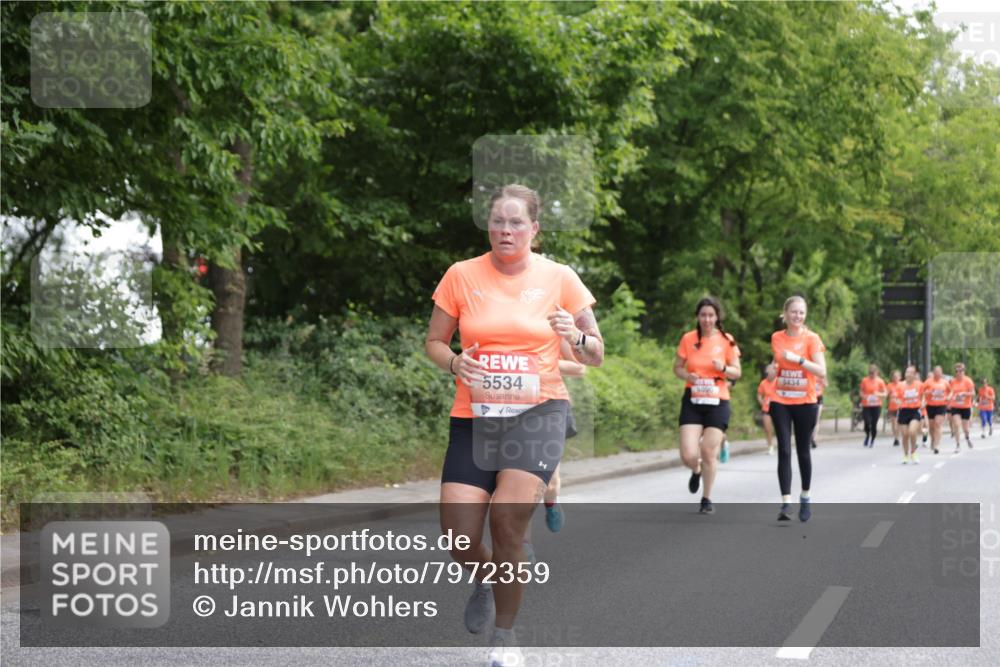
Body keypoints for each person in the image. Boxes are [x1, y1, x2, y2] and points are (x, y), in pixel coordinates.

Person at [425, 184, 604, 666]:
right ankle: (487, 577)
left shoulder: (560, 278)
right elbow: (436, 342)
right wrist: (455, 363)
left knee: (507, 522)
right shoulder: (461, 276)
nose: (505, 230)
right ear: (488, 225)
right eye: (498, 222)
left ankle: (505, 638)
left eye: (516, 222)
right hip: (475, 416)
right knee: (458, 537)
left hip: (539, 413)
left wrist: (577, 335)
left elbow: (597, 353)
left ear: (534, 229)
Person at [672, 296, 742, 515]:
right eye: (703, 315)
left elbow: (737, 371)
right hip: (693, 399)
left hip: (718, 401)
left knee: (709, 450)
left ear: (717, 317)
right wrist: (688, 375)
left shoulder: (727, 340)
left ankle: (706, 498)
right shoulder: (688, 339)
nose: (707, 319)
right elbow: (677, 367)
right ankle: (696, 469)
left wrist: (723, 368)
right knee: (688, 453)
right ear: (698, 317)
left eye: (711, 315)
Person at [769, 295, 827, 522]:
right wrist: (772, 371)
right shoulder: (776, 337)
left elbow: (821, 371)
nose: (798, 316)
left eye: (801, 312)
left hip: (805, 402)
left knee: (803, 450)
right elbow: (776, 363)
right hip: (780, 399)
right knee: (784, 448)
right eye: (794, 312)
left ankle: (805, 496)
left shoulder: (812, 339)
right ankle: (785, 502)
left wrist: (799, 360)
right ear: (785, 314)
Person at [895, 365, 924, 464]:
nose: (908, 374)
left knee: (912, 431)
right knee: (905, 435)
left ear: (914, 375)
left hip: (915, 410)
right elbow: (896, 397)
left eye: (911, 372)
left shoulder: (919, 385)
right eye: (907, 372)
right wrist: (898, 402)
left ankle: (913, 452)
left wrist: (923, 402)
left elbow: (923, 395)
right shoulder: (900, 385)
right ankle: (906, 455)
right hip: (903, 411)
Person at [922, 366, 951, 455]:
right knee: (931, 426)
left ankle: (937, 445)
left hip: (941, 405)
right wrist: (927, 394)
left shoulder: (945, 382)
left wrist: (948, 397)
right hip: (930, 405)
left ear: (941, 373)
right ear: (933, 373)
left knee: (938, 424)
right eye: (936, 372)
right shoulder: (928, 382)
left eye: (939, 372)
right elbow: (921, 391)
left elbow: (951, 391)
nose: (937, 374)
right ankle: (933, 440)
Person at [948, 362, 976, 451]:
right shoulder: (952, 381)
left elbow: (973, 393)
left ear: (964, 371)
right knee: (956, 424)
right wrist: (949, 397)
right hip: (955, 406)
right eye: (957, 371)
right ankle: (958, 444)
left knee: (965, 429)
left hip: (965, 406)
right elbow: (951, 391)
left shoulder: (968, 381)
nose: (959, 373)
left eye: (961, 371)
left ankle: (967, 438)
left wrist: (964, 393)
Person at [859, 364, 888, 448]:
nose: (871, 375)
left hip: (876, 405)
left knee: (874, 423)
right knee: (867, 422)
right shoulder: (864, 380)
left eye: (873, 373)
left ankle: (872, 440)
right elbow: (861, 391)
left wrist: (878, 394)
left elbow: (885, 394)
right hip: (867, 405)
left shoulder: (880, 381)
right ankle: (867, 435)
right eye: (870, 373)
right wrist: (863, 396)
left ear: (877, 373)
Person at [757, 364, 778, 455]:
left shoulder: (778, 381)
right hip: (767, 408)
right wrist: (762, 402)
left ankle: (782, 444)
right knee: (767, 428)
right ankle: (770, 446)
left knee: (780, 428)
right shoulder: (763, 383)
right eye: (767, 373)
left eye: (770, 372)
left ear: (774, 372)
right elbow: (759, 395)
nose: (768, 374)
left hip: (778, 408)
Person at [887, 370, 902, 447]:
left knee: (898, 423)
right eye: (894, 377)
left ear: (900, 377)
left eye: (896, 376)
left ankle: (897, 438)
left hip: (899, 407)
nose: (895, 378)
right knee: (893, 423)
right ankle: (895, 437)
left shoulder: (902, 385)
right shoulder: (889, 385)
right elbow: (887, 394)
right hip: (892, 406)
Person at [811, 376, 826, 448]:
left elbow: (826, 385)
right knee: (809, 420)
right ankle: (809, 437)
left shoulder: (821, 374)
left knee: (816, 419)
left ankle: (813, 438)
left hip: (819, 398)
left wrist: (822, 379)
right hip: (810, 397)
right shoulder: (810, 372)